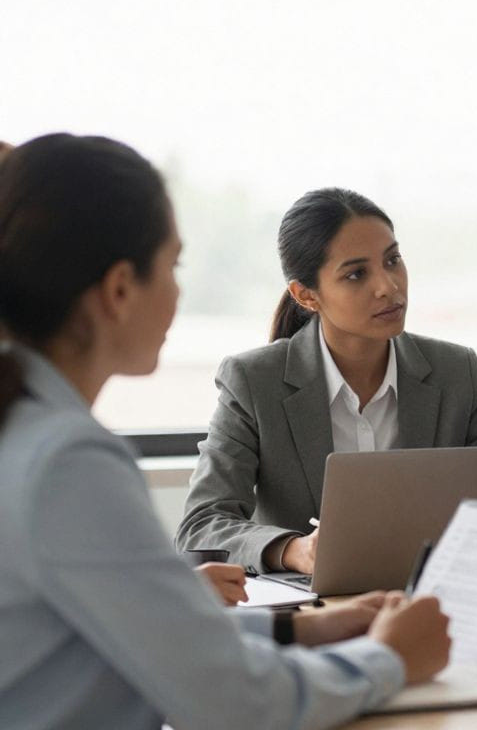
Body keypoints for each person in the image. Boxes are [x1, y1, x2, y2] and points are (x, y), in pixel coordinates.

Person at [0, 133, 450, 728]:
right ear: (117, 291)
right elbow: (238, 701)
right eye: (174, 264)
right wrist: (388, 658)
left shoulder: (27, 431)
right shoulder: (67, 463)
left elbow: (137, 628)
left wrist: (301, 626)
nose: (181, 290)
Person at [177, 188, 477, 573]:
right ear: (306, 295)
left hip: (433, 604)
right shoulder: (253, 382)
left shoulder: (455, 372)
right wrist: (294, 550)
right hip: (316, 615)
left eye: (393, 260)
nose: (388, 286)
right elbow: (201, 527)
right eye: (355, 274)